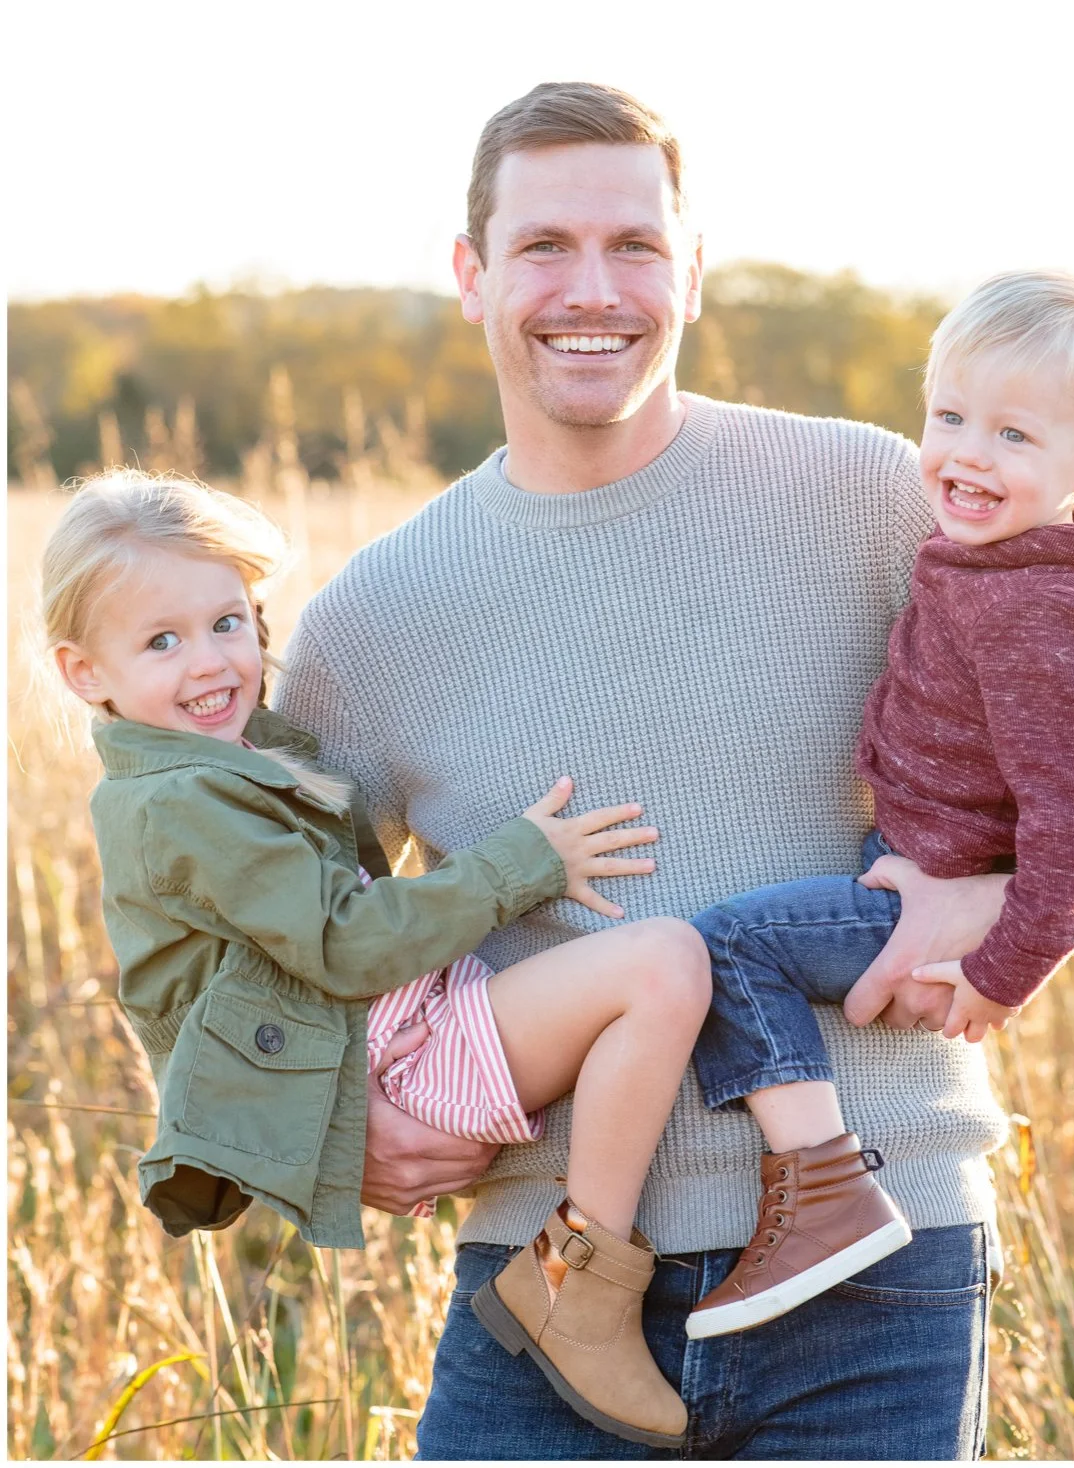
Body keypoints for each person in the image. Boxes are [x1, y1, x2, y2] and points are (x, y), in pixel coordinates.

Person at [276, 82, 1074, 1459]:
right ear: (470, 276)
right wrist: (325, 1116)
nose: (594, 288)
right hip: (550, 1292)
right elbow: (268, 932)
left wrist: (998, 914)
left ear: (690, 270)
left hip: (880, 1277)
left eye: (636, 245)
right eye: (543, 247)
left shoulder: (883, 496)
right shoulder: (378, 616)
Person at [44, 471, 709, 1446]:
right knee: (662, 968)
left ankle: (577, 1270)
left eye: (229, 621)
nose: (212, 663)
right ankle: (579, 1285)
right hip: (391, 1055)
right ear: (83, 673)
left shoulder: (230, 758)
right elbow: (348, 942)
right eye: (161, 641)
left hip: (398, 1026)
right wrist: (522, 864)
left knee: (661, 967)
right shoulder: (180, 803)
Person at [679, 270, 1074, 1338]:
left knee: (723, 950)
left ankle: (820, 1186)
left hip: (928, 888)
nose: (966, 456)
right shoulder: (1034, 560)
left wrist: (1004, 966)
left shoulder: (1040, 613)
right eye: (948, 417)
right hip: (917, 854)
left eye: (1012, 436)